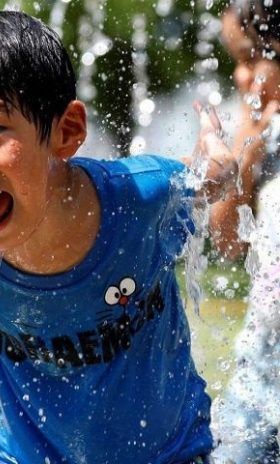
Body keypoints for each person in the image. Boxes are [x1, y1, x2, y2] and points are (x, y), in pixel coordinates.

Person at [0, 10, 260, 463]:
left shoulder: (139, 199)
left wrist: (216, 170)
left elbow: (198, 187)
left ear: (66, 131)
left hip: (170, 453)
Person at [208, 0, 280, 462]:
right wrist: (245, 152)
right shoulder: (265, 140)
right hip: (260, 373)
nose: (240, 76)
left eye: (252, 56)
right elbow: (227, 242)